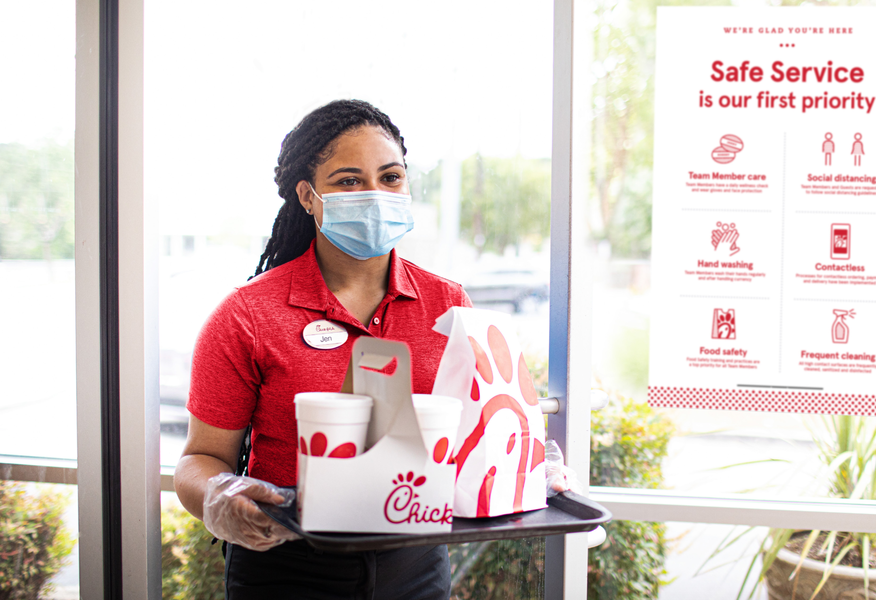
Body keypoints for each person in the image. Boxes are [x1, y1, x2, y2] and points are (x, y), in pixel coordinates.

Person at [173, 99, 472, 599]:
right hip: (285, 566)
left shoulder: (447, 305)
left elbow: (474, 434)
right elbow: (200, 458)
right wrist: (219, 495)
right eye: (349, 181)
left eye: (391, 177)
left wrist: (525, 464)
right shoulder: (247, 314)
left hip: (416, 561)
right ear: (308, 197)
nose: (375, 195)